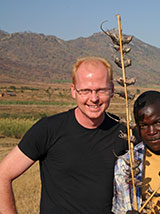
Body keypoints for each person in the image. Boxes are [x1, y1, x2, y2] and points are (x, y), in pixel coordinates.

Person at [0, 57, 129, 213]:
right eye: (86, 91)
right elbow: (3, 175)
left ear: (112, 90)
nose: (94, 98)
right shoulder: (48, 129)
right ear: (73, 91)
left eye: (101, 90)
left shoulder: (124, 133)